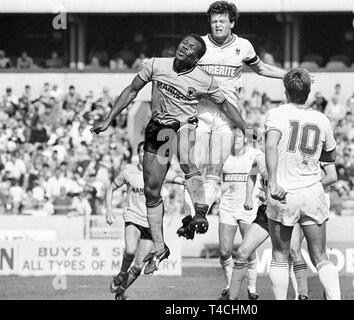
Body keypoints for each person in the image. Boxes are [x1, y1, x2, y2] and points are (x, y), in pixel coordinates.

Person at [91, 34, 252, 275]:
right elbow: (131, 90)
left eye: (190, 48)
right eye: (184, 43)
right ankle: (159, 246)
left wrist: (244, 127)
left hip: (183, 125)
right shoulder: (156, 64)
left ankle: (199, 212)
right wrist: (109, 118)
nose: (184, 47)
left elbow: (226, 105)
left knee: (187, 158)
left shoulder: (204, 81)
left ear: (196, 58)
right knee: (151, 190)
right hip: (157, 128)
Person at [178, 1, 287, 241]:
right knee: (193, 168)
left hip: (228, 118)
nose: (217, 24)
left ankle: (200, 214)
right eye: (213, 21)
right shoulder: (200, 45)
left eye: (221, 21)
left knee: (215, 170)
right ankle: (189, 217)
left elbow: (260, 69)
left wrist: (286, 74)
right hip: (200, 114)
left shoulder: (243, 46)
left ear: (232, 23)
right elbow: (181, 72)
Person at [264, 68, 341, 300]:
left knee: (279, 254)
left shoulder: (276, 115)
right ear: (308, 92)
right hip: (312, 191)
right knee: (320, 255)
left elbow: (270, 146)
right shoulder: (321, 119)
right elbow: (331, 158)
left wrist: (273, 181)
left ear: (285, 90)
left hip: (285, 192)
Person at [228, 162, 338, 300]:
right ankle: (231, 298)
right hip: (266, 211)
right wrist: (249, 196)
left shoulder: (290, 153)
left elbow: (329, 176)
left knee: (294, 250)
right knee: (242, 252)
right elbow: (252, 175)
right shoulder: (261, 156)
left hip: (287, 208)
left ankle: (302, 295)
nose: (261, 139)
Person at [215, 130, 265, 300]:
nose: (236, 139)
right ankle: (229, 285)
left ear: (246, 138)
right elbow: (214, 179)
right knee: (224, 251)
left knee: (248, 250)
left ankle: (252, 288)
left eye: (239, 136)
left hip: (248, 207)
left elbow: (263, 168)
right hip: (227, 207)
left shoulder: (255, 154)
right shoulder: (223, 156)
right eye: (233, 136)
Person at [106, 142, 153, 300]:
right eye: (141, 151)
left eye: (147, 152)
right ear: (137, 154)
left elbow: (179, 178)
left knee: (139, 266)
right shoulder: (128, 172)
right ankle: (121, 274)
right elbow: (110, 188)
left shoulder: (159, 172)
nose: (144, 155)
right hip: (133, 217)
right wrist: (109, 211)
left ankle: (120, 294)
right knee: (130, 251)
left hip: (152, 223)